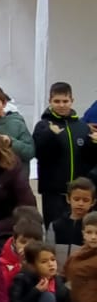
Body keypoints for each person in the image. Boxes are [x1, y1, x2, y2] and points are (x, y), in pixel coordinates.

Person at [32, 82, 97, 226]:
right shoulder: (43, 125)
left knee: (80, 231)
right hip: (54, 193)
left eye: (65, 101)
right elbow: (38, 153)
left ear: (72, 101)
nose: (61, 105)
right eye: (57, 101)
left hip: (79, 194)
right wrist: (50, 135)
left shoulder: (82, 127)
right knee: (54, 230)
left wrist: (94, 144)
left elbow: (89, 159)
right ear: (50, 101)